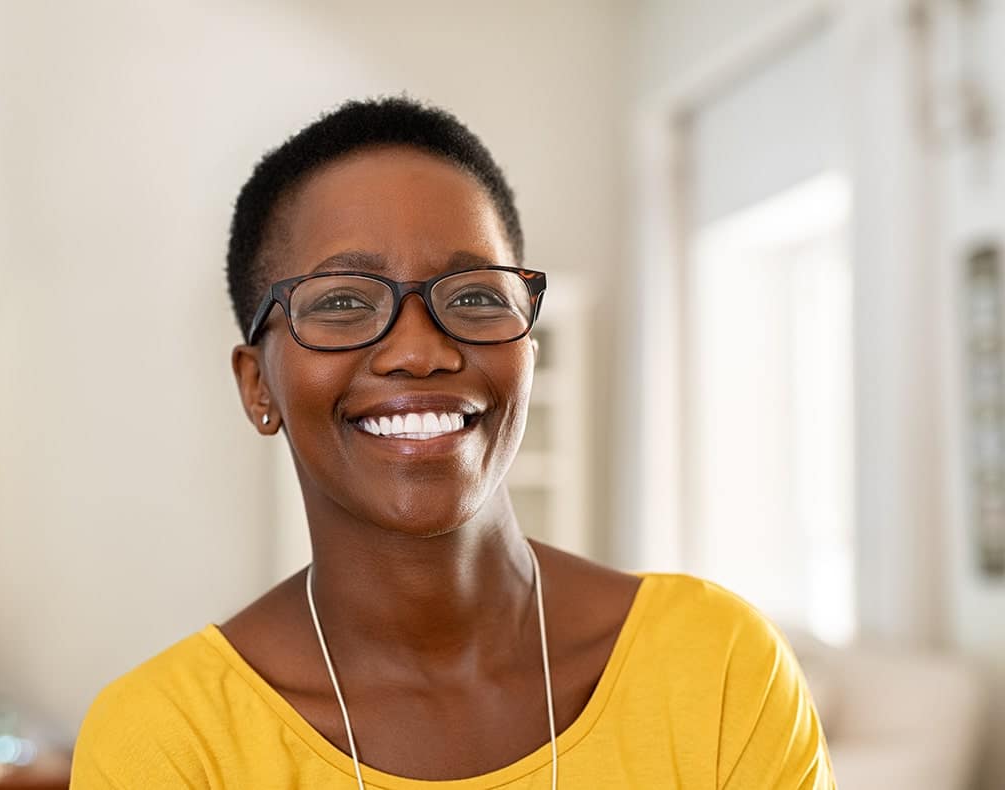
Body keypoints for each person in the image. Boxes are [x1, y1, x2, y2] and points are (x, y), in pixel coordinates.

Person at [70, 97, 835, 789]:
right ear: (257, 386)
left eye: (474, 297)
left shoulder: (718, 666)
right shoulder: (169, 742)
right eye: (341, 301)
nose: (419, 351)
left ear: (528, 349)